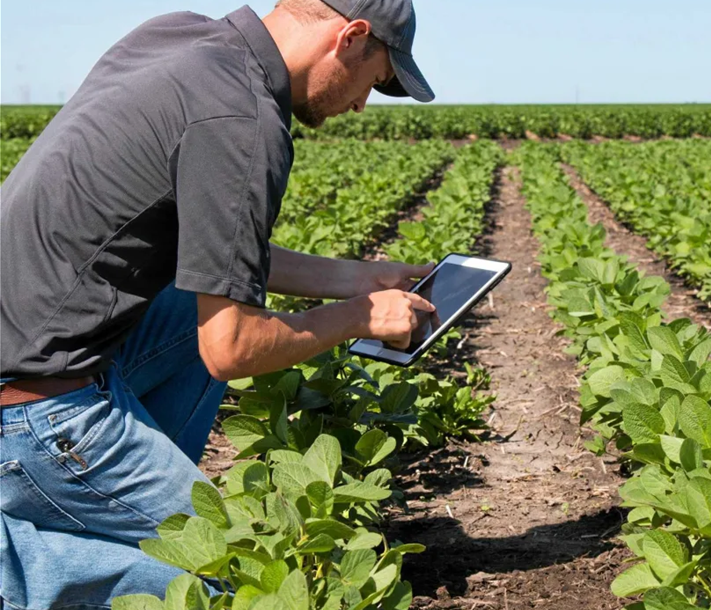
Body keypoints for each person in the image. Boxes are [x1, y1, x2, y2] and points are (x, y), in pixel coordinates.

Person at [0, 0, 437, 605]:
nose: (362, 103)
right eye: (376, 80)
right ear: (352, 38)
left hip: (31, 361)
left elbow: (220, 253)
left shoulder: (177, 38)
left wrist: (360, 278)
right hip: (35, 415)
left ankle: (115, 516)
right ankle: (22, 566)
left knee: (189, 304)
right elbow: (231, 348)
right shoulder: (246, 119)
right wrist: (360, 317)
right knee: (249, 573)